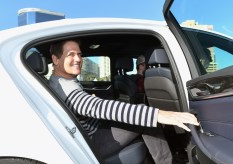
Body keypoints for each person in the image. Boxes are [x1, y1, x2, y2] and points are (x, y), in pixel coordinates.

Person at [48, 39, 199, 164]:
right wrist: (160, 114)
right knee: (146, 118)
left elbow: (84, 103)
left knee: (142, 114)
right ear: (55, 59)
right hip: (93, 139)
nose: (78, 59)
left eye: (79, 55)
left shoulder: (61, 80)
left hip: (94, 129)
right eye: (71, 55)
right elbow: (95, 106)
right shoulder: (63, 86)